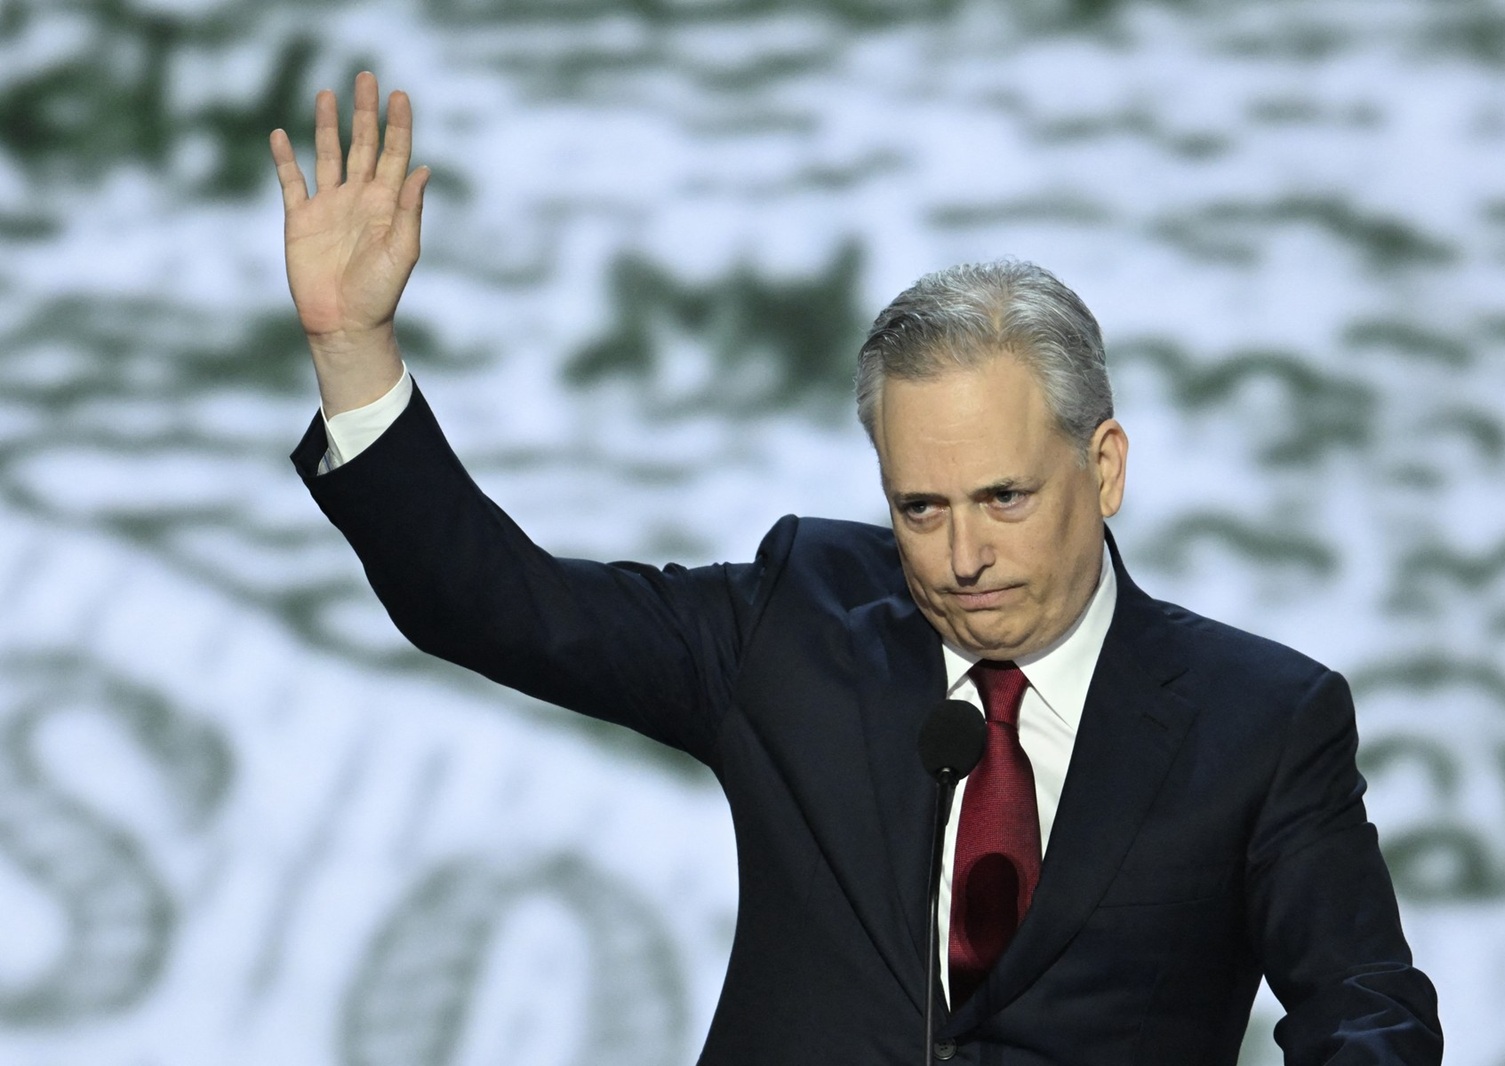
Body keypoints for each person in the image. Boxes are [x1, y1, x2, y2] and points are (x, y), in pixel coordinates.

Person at [271, 73, 1443, 1065]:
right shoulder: (794, 622)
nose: (962, 554)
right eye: (918, 507)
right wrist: (352, 348)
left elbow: (1368, 1013)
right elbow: (494, 604)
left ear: (1106, 466)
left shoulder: (1262, 721)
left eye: (1004, 498)